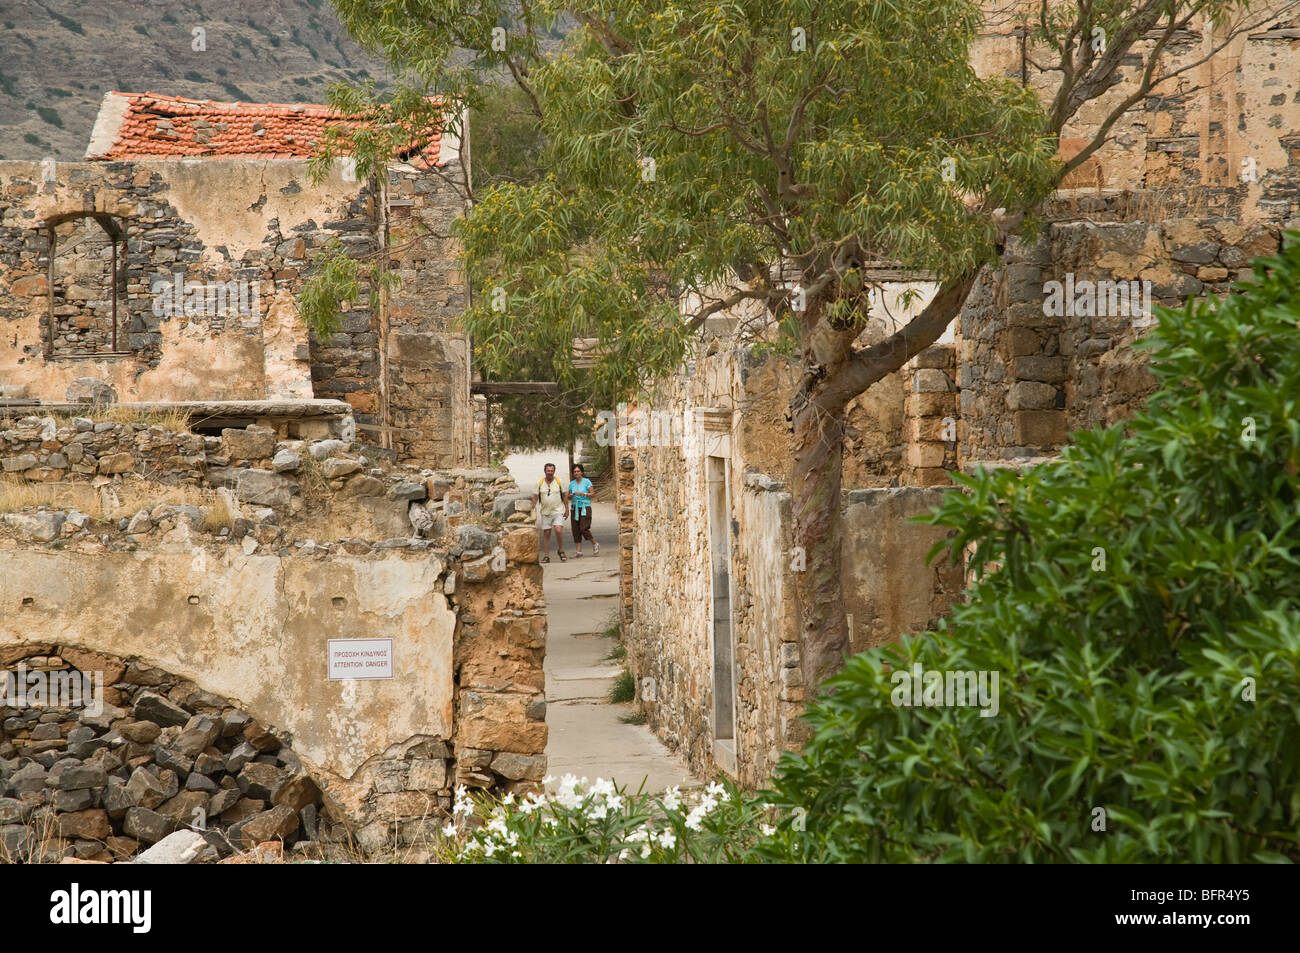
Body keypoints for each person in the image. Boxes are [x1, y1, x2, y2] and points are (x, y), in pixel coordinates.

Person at [532, 462, 567, 563]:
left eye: (552, 471)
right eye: (548, 471)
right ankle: (546, 556)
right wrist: (532, 509)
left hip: (558, 510)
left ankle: (561, 550)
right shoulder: (539, 483)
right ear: (545, 471)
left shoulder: (559, 481)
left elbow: (564, 495)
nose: (550, 473)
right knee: (546, 533)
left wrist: (567, 509)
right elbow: (535, 497)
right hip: (545, 512)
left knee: (558, 529)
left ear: (554, 471)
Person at [569, 463, 598, 557]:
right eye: (574, 472)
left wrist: (583, 494)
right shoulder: (571, 483)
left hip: (585, 507)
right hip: (575, 507)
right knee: (575, 529)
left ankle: (594, 543)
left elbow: (593, 493)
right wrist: (572, 495)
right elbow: (568, 496)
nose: (576, 473)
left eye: (578, 471)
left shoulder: (587, 482)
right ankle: (579, 551)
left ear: (581, 472)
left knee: (583, 528)